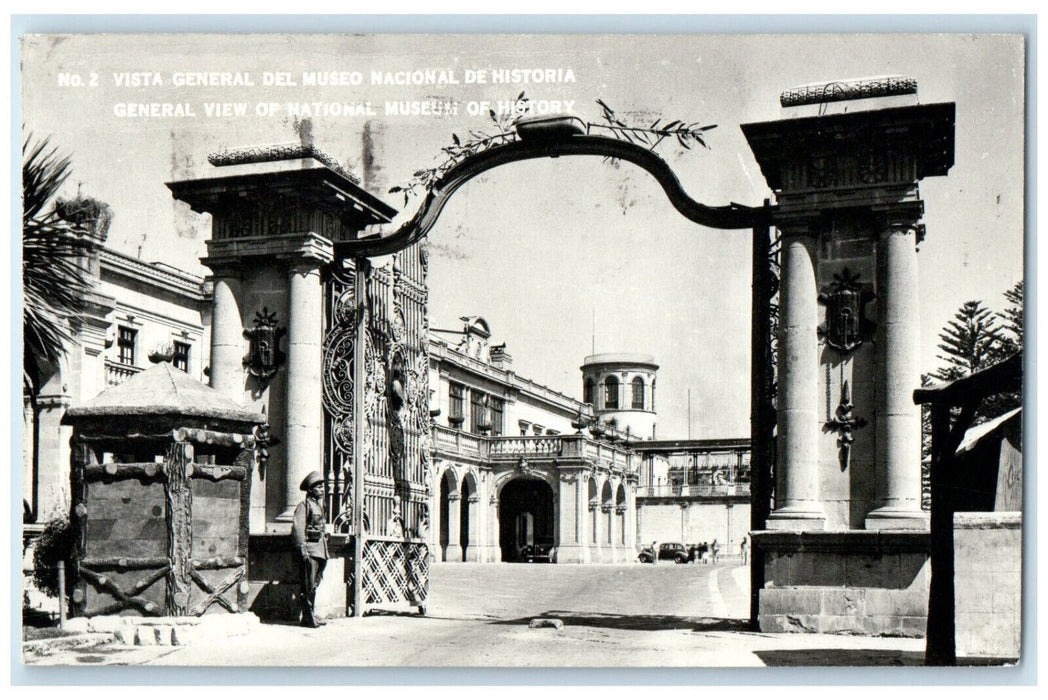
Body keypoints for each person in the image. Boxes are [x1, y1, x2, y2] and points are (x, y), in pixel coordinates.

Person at [291, 470, 329, 628]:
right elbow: (298, 529)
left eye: (322, 486)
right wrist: (302, 549)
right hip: (311, 551)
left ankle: (311, 613)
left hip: (320, 550)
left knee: (314, 584)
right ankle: (308, 616)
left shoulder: (318, 506)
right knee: (307, 585)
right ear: (310, 490)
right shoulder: (304, 506)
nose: (322, 489)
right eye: (318, 486)